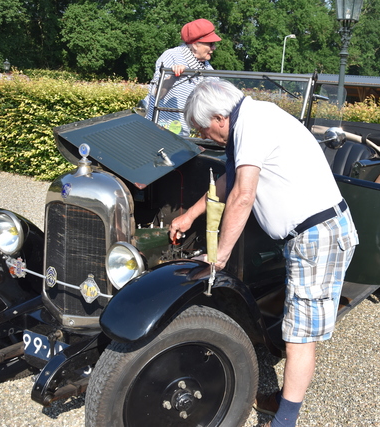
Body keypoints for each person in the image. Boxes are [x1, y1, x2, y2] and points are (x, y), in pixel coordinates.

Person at [168, 79, 358, 427]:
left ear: (220, 116)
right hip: (308, 237)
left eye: (204, 129)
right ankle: (286, 398)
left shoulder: (253, 125)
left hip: (316, 237)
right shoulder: (251, 119)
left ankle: (285, 419)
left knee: (299, 337)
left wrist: (219, 256)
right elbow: (228, 181)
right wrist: (191, 214)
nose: (206, 136)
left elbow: (243, 194)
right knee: (295, 325)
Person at [143, 18, 221, 136]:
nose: (213, 48)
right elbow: (156, 93)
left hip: (182, 134)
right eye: (210, 44)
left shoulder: (207, 68)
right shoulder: (172, 56)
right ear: (195, 44)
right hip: (157, 129)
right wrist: (173, 77)